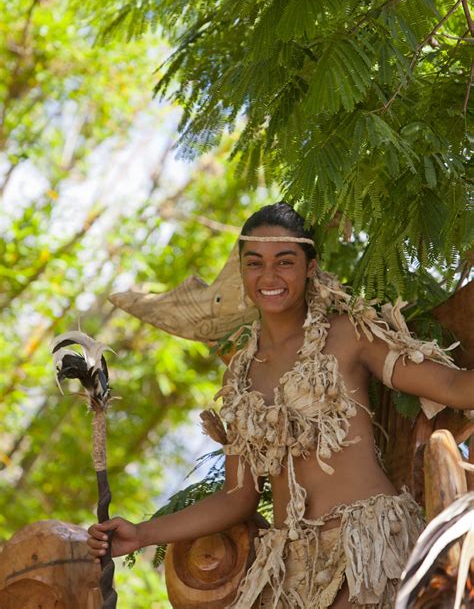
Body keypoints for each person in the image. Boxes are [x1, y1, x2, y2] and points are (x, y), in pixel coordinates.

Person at [87, 202, 474, 608]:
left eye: (284, 262)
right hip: (290, 571)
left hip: (367, 551)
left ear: (309, 267)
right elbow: (238, 498)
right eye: (255, 263)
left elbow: (449, 383)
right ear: (242, 271)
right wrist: (143, 533)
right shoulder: (239, 376)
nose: (269, 276)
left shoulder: (348, 336)